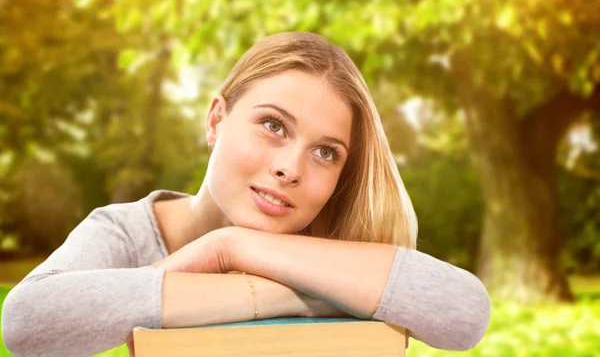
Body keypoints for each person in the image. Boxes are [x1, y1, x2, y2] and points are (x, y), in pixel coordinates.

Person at [1, 32, 491, 357]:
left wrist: (233, 247)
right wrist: (300, 297)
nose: (289, 167)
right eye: (273, 125)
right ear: (216, 119)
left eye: (325, 153)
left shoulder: (331, 236)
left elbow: (465, 313)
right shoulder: (125, 232)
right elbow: (27, 325)